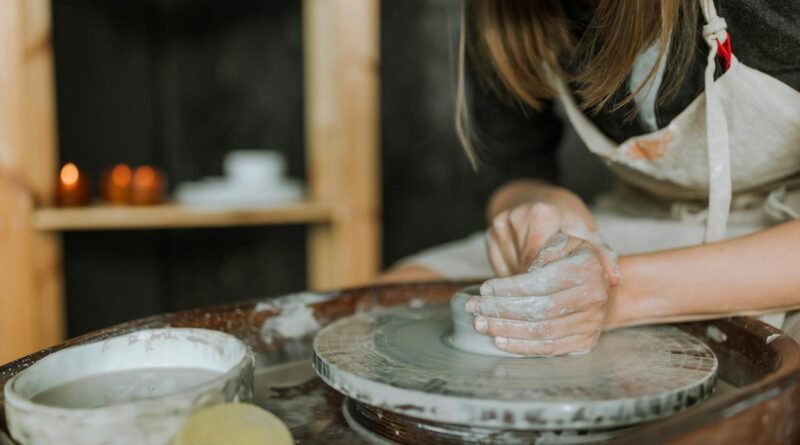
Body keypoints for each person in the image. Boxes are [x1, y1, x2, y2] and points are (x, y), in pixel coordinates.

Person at [379, 0, 800, 356]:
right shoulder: (503, 14)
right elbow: (512, 167)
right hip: (639, 218)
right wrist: (538, 208)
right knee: (382, 306)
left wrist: (620, 294)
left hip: (778, 241)